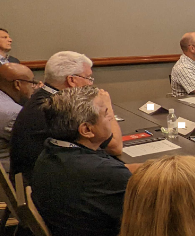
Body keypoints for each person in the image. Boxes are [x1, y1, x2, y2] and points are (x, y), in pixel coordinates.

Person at [31, 87, 138, 236]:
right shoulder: (101, 173)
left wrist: (169, 166)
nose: (111, 120)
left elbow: (121, 171)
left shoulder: (54, 150)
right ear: (86, 130)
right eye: (107, 114)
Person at [10, 51, 122, 182]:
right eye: (88, 78)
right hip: (48, 184)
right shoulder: (58, 109)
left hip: (37, 175)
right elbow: (115, 147)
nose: (91, 84)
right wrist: (107, 107)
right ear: (72, 80)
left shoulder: (42, 97)